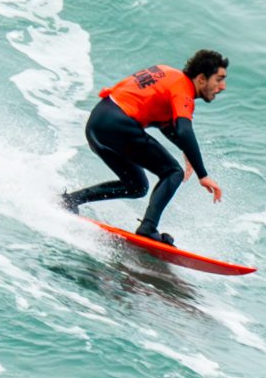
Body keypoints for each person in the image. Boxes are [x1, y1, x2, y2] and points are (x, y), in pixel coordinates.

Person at [61, 50, 228, 245]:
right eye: (219, 79)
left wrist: (186, 150)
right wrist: (202, 175)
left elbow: (165, 124)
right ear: (201, 79)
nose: (222, 87)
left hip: (97, 123)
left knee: (136, 186)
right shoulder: (183, 90)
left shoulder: (167, 73)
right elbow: (183, 130)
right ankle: (148, 228)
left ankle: (70, 200)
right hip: (118, 123)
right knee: (173, 172)